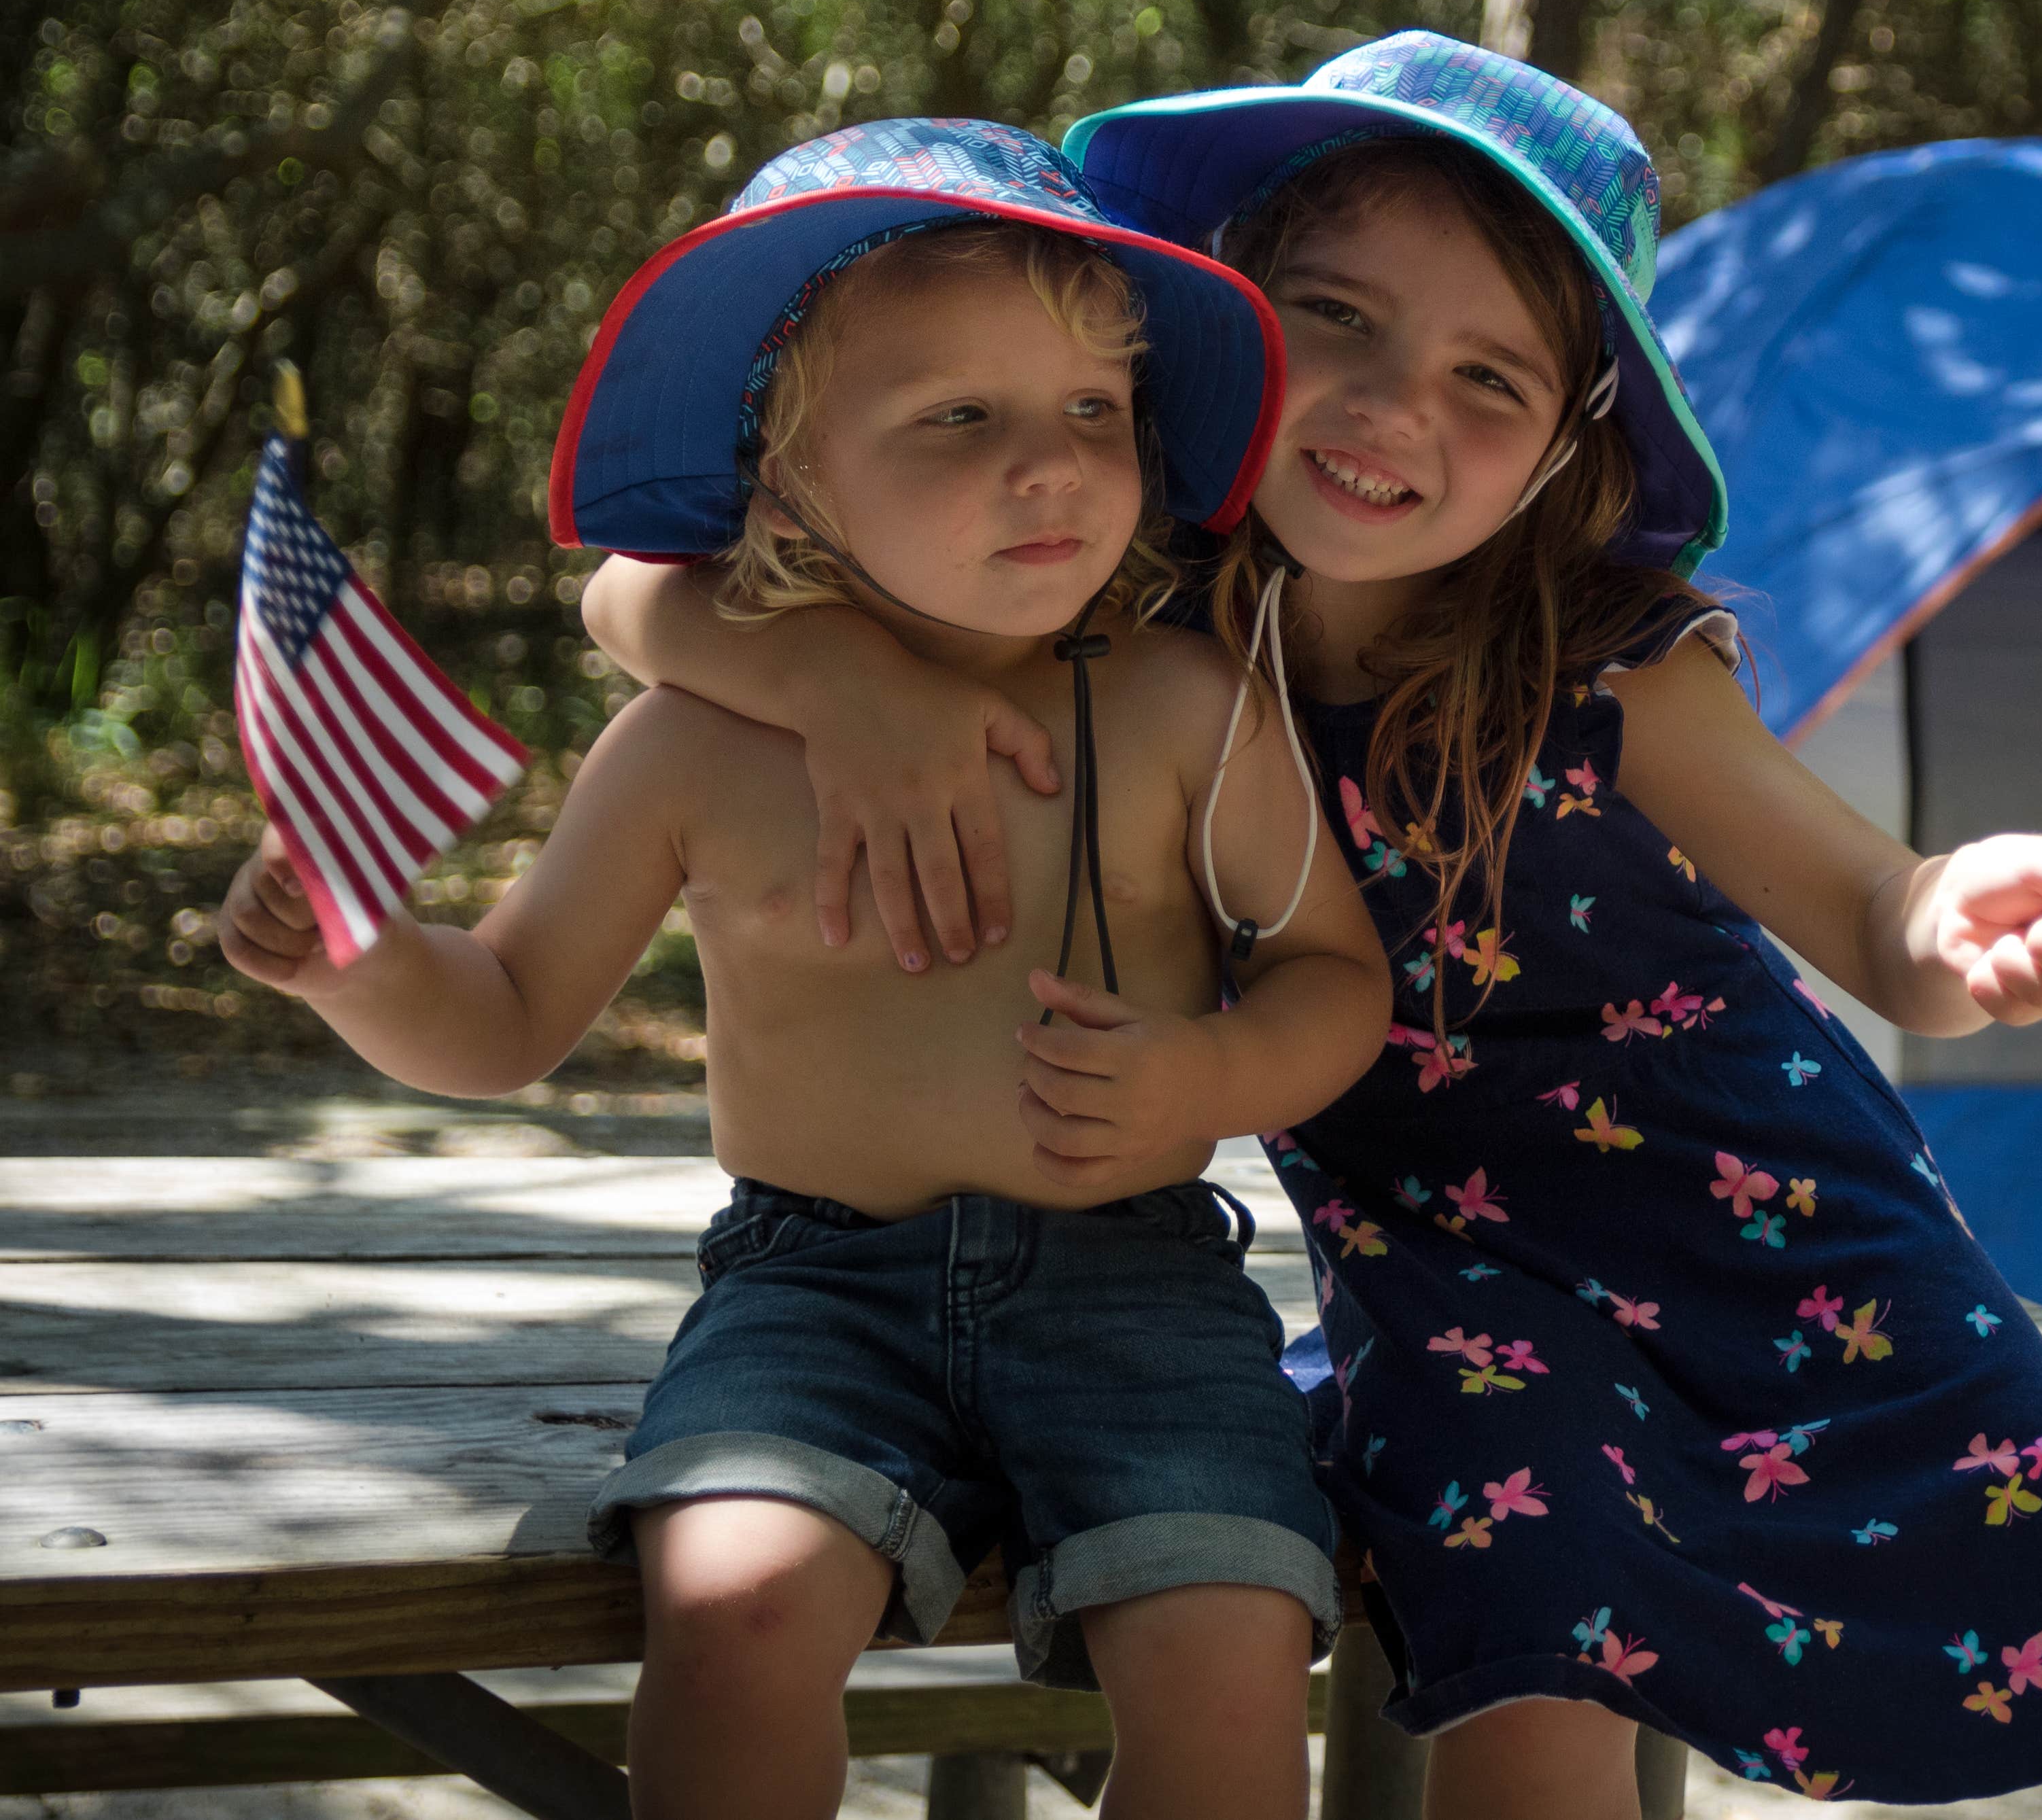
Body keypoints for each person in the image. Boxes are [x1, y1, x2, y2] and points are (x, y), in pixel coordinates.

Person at [580, 38, 2042, 1819]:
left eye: (1486, 374)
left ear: (1573, 439)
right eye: (1333, 317)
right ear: (1221, 322)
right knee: (1533, 1660)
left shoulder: (1603, 664)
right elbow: (632, 589)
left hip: (1802, 1248)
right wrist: (840, 680)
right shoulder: (1136, 607)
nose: (1388, 404)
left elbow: (1877, 916)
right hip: (1454, 1286)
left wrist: (1958, 911)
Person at [220, 118, 1394, 1820]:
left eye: (1092, 413)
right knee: (735, 1607)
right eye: (958, 420)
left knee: (1227, 1640)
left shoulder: (1179, 710)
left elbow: (1330, 975)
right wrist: (356, 960)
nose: (1051, 466)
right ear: (788, 477)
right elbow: (499, 1020)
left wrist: (1209, 1076)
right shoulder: (687, 748)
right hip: (813, 1292)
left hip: (1135, 1281)